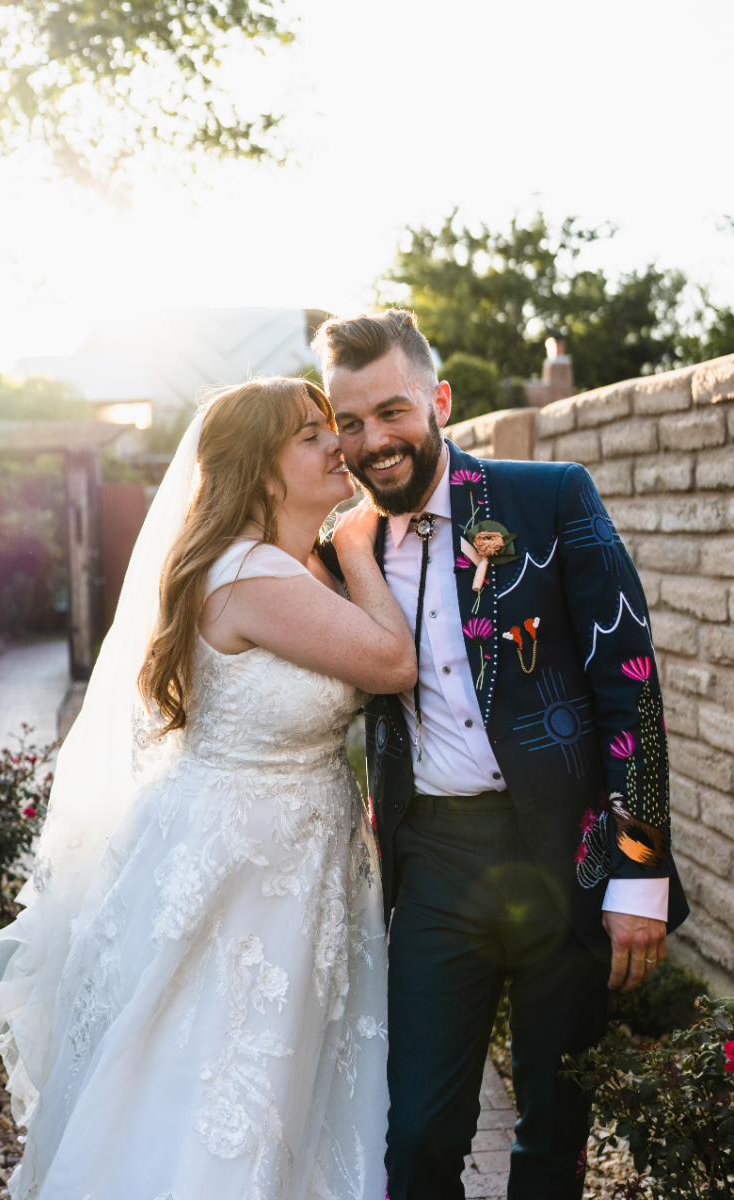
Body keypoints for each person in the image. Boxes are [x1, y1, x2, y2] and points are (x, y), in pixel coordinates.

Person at [0, 377, 416, 1200]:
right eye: (309, 435)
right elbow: (393, 664)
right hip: (244, 868)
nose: (337, 445)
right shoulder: (251, 573)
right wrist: (360, 547)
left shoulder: (299, 567)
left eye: (333, 428)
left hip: (298, 856)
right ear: (260, 469)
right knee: (223, 1087)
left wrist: (342, 554)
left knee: (281, 1088)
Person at [314, 310, 689, 1200]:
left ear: (439, 401)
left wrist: (639, 875)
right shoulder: (341, 548)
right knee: (418, 1136)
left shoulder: (550, 498)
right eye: (352, 423)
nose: (375, 441)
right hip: (436, 863)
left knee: (554, 1133)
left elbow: (628, 685)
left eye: (393, 411)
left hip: (568, 851)